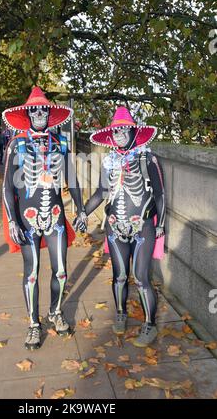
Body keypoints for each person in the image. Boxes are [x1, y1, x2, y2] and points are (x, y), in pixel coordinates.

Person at [2, 86, 87, 350]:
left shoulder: (60, 143)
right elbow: (6, 186)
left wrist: (81, 208)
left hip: (55, 217)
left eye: (44, 109)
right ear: (28, 114)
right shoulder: (16, 144)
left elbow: (72, 179)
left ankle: (55, 312)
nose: (39, 112)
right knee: (31, 273)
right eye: (34, 109)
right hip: (27, 219)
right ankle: (33, 324)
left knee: (61, 271)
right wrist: (12, 220)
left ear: (50, 114)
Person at [85, 106, 166, 347]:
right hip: (114, 227)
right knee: (119, 276)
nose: (119, 135)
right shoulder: (109, 161)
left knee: (141, 278)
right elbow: (101, 192)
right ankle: (121, 313)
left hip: (142, 227)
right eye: (116, 131)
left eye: (123, 130)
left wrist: (160, 224)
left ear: (132, 131)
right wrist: (83, 212)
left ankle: (149, 325)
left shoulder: (148, 158)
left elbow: (160, 194)